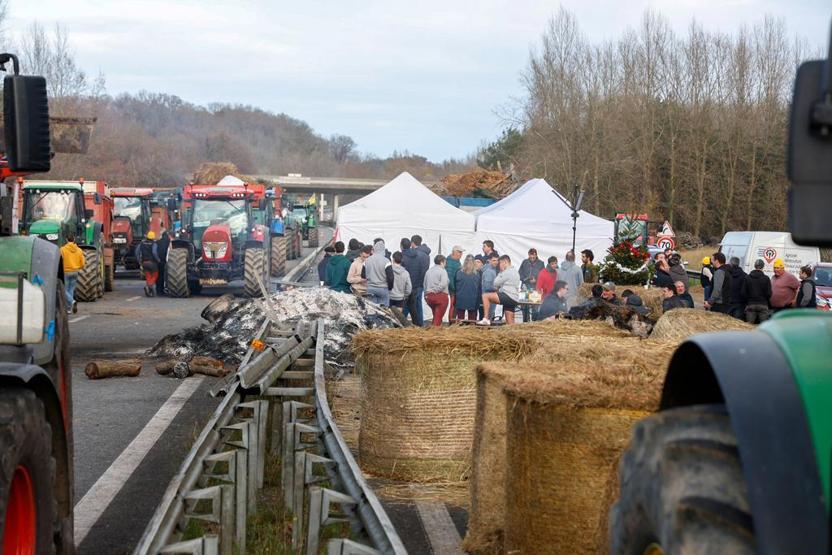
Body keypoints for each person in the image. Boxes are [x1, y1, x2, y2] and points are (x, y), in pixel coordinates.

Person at [478, 255, 520, 325]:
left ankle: (486, 318)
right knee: (510, 323)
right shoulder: (515, 271)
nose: (499, 265)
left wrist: (501, 272)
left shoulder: (506, 272)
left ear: (505, 262)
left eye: (500, 263)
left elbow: (496, 282)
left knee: (485, 296)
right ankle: (512, 330)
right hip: (514, 298)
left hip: (507, 295)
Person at [400, 237, 429, 326]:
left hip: (408, 284)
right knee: (417, 305)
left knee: (406, 305)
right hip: (418, 284)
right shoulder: (422, 255)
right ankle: (419, 324)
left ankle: (401, 323)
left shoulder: (403, 256)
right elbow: (422, 271)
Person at [60, 232, 85, 314]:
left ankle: (72, 301)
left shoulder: (62, 249)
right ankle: (68, 309)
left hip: (66, 272)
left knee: (64, 290)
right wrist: (77, 267)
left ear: (66, 240)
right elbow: (83, 263)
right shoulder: (79, 250)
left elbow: (60, 261)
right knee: (70, 290)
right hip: (75, 272)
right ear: (74, 240)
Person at [743, 258, 772, 323]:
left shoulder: (747, 277)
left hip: (751, 304)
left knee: (749, 326)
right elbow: (769, 294)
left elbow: (743, 293)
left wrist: (749, 300)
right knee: (763, 326)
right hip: (763, 304)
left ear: (754, 266)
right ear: (763, 267)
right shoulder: (766, 278)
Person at [424, 254, 450, 327]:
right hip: (440, 296)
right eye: (445, 262)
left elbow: (425, 284)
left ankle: (434, 328)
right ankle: (435, 330)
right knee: (438, 318)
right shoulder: (443, 271)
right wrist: (435, 291)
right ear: (441, 262)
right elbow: (443, 283)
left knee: (436, 315)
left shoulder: (428, 271)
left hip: (429, 296)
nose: (445, 264)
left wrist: (426, 295)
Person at [519, 248, 544, 321]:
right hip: (525, 286)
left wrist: (536, 280)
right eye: (531, 255)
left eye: (534, 255)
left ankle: (534, 322)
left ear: (536, 255)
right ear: (528, 255)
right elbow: (519, 273)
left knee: (535, 307)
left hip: (536, 287)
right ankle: (525, 322)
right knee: (524, 306)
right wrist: (525, 279)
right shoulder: (524, 262)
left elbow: (543, 275)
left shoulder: (541, 263)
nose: (532, 257)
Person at [364, 240, 391, 306]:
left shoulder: (367, 260)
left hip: (370, 288)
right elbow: (390, 277)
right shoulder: (387, 261)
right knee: (384, 310)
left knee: (371, 308)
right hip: (383, 289)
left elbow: (363, 275)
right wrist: (390, 287)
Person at [454, 255, 480, 322]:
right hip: (470, 298)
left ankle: (462, 327)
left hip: (465, 298)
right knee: (470, 319)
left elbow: (455, 285)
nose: (469, 262)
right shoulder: (477, 273)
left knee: (464, 319)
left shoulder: (459, 272)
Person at [135, 230, 161, 296]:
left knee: (148, 276)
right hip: (152, 263)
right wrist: (158, 260)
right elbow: (154, 253)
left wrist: (139, 261)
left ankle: (149, 290)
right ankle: (148, 286)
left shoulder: (142, 243)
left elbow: (137, 252)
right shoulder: (154, 244)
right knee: (155, 275)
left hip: (144, 262)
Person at [445, 246, 464, 323]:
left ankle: (453, 321)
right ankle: (451, 322)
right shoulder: (450, 262)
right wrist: (454, 289)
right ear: (454, 252)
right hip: (453, 289)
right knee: (453, 305)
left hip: (457, 288)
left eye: (461, 252)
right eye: (459, 252)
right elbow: (449, 278)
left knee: (455, 306)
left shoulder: (457, 261)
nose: (461, 254)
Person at [481, 253, 499, 319]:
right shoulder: (489, 271)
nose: (496, 262)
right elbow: (487, 286)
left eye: (497, 260)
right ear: (489, 260)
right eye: (494, 260)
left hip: (490, 297)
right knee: (488, 318)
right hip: (489, 298)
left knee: (488, 317)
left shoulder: (493, 269)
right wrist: (498, 288)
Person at [156, 229, 171, 296]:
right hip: (164, 260)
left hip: (157, 260)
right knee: (163, 276)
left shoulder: (157, 242)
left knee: (159, 275)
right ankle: (162, 290)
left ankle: (158, 290)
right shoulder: (168, 241)